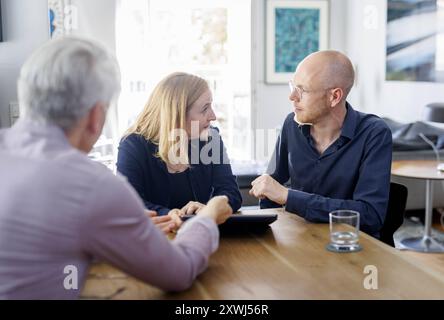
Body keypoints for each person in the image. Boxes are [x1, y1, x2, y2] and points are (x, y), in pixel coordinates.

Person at [0, 37, 232, 299]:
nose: (212, 116)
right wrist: (207, 218)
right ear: (96, 116)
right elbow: (179, 271)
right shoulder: (92, 184)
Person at [249, 50, 392, 237]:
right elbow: (270, 190)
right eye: (292, 86)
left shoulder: (375, 134)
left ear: (334, 96)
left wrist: (289, 197)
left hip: (351, 247)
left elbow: (370, 216)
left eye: (302, 90)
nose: (292, 97)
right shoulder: (290, 124)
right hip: (300, 241)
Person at [117, 72, 242, 217]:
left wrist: (209, 209)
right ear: (177, 115)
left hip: (200, 233)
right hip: (154, 235)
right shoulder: (133, 145)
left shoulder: (210, 139)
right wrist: (169, 214)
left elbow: (231, 193)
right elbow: (129, 203)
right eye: (204, 109)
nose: (213, 116)